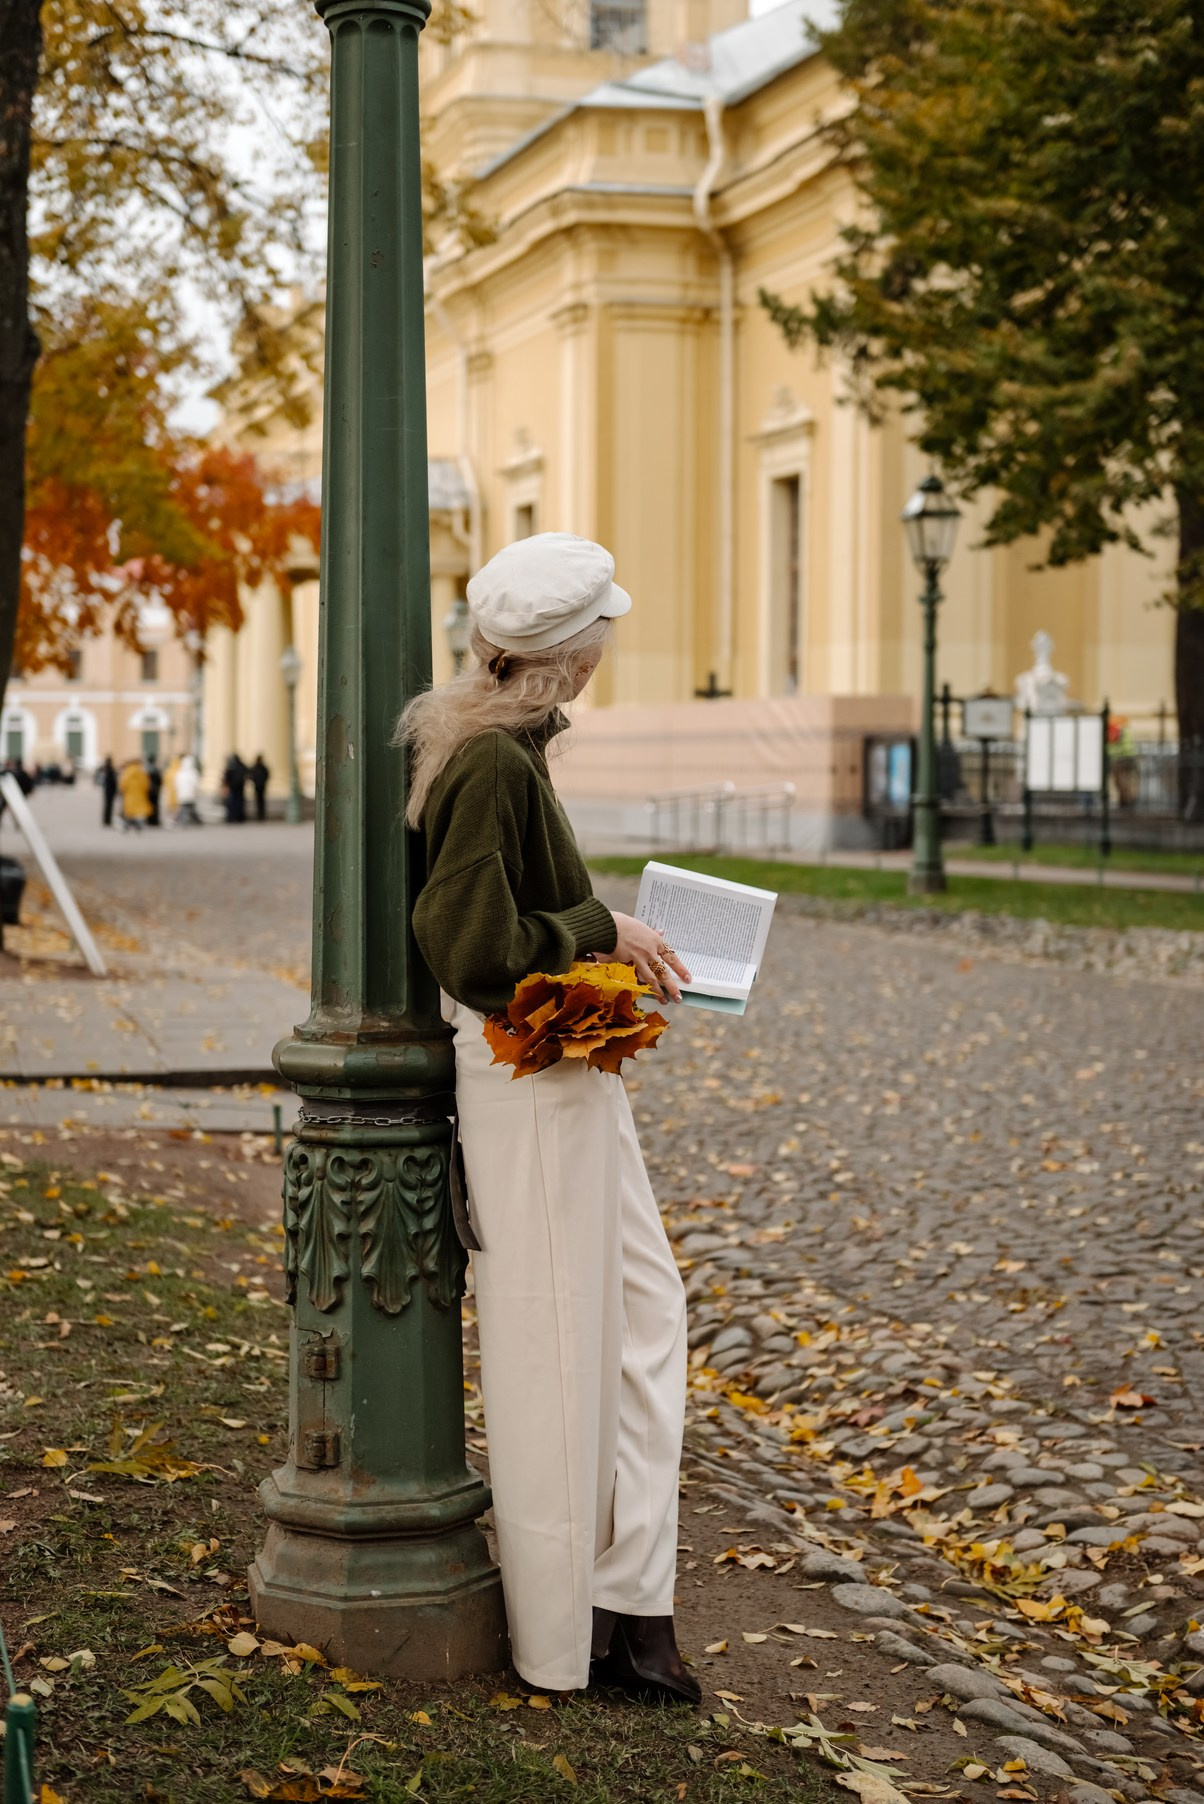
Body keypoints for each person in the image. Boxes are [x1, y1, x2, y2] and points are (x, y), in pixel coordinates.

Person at [400, 532, 698, 1703]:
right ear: (571, 658)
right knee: (554, 1346)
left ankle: (629, 1601)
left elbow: (507, 914)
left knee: (632, 1320)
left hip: (556, 1073)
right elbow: (472, 947)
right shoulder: (488, 763)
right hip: (528, 1081)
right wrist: (597, 931)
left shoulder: (495, 746)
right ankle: (573, 1633)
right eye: (600, 637)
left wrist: (597, 926)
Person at [118, 758, 151, 831]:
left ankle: (128, 824)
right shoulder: (141, 772)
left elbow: (122, 784)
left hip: (129, 795)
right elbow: (146, 784)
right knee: (138, 811)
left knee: (129, 811)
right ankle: (137, 824)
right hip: (139, 795)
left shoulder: (127, 772)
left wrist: (122, 791)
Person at [174, 753, 202, 825]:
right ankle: (190, 820)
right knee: (189, 808)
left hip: (182, 795)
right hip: (190, 795)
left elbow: (176, 784)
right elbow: (196, 784)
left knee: (185, 808)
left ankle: (185, 820)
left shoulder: (180, 773)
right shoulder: (193, 773)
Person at [222, 753, 247, 823]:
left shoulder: (231, 766)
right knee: (238, 802)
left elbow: (227, 776)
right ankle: (238, 817)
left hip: (233, 787)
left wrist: (227, 784)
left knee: (232, 802)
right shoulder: (241, 766)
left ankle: (232, 817)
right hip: (239, 787)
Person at [250, 754, 270, 822]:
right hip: (258, 786)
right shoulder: (257, 767)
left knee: (261, 801)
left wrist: (263, 781)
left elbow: (267, 775)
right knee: (259, 801)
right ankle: (259, 814)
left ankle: (261, 814)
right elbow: (251, 775)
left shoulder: (261, 768)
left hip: (261, 786)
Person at [99, 755, 118, 827]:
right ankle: (107, 820)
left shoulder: (105, 769)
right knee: (109, 806)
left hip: (107, 790)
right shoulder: (110, 769)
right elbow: (113, 781)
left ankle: (106, 820)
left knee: (107, 806)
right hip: (110, 790)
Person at [146, 755, 162, 827]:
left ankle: (149, 820)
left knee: (149, 805)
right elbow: (160, 781)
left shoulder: (147, 769)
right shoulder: (156, 770)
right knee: (155, 806)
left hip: (149, 790)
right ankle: (154, 820)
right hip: (155, 790)